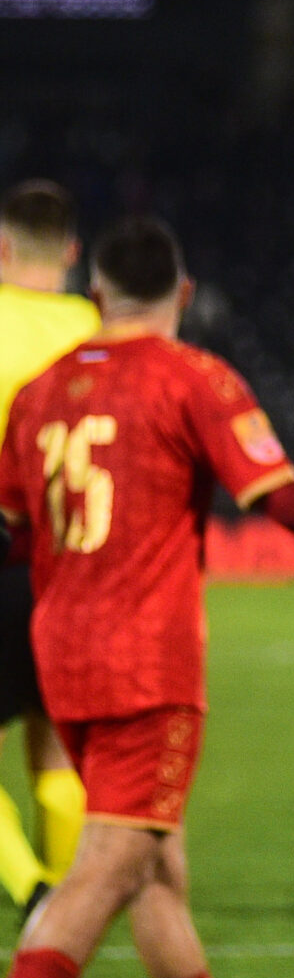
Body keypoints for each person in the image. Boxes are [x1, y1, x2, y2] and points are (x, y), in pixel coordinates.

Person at [0, 216, 294, 978]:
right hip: (144, 665)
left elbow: (18, 535)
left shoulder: (39, 392)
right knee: (106, 870)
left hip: (61, 659)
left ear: (98, 295)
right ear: (184, 293)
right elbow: (283, 500)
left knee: (158, 877)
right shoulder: (191, 377)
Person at [0, 180, 94, 924]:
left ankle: (29, 887)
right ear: (71, 253)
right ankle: (60, 923)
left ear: (2, 248)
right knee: (58, 748)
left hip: (5, 554)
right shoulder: (98, 330)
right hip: (81, 568)